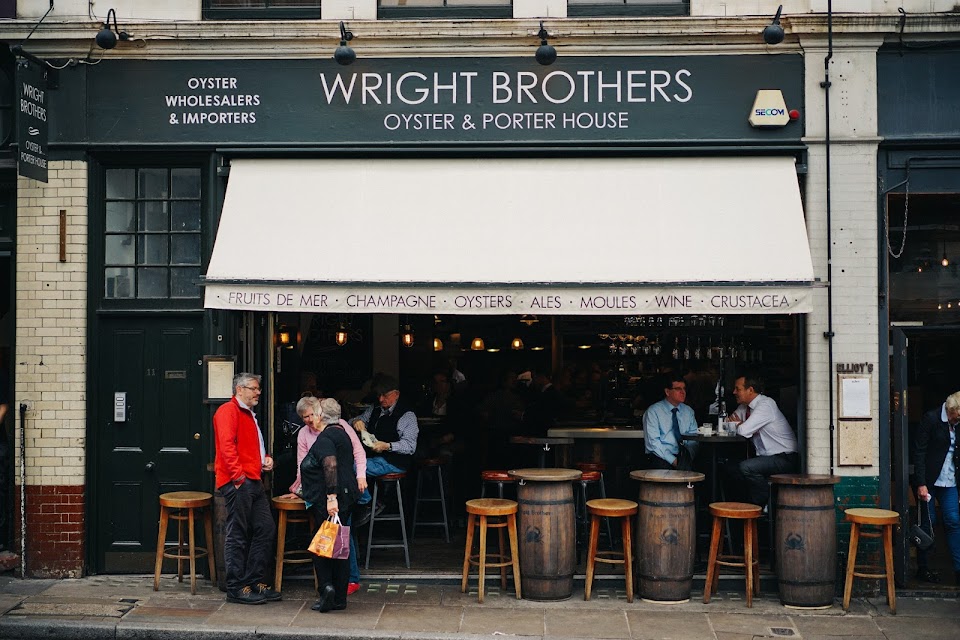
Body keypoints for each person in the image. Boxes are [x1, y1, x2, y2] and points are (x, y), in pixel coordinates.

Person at [279, 395, 369, 595]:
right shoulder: (304, 434)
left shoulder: (336, 429)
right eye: (304, 417)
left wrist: (360, 477)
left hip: (335, 495)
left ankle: (341, 583)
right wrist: (298, 489)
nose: (309, 420)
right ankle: (332, 587)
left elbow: (350, 457)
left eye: (311, 415)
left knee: (338, 535)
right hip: (320, 493)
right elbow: (302, 465)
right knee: (328, 536)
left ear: (320, 412)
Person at [213, 373, 279, 605]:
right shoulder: (227, 411)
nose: (258, 392)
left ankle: (253, 581)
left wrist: (266, 458)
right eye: (253, 388)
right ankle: (235, 587)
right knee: (238, 533)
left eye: (258, 388)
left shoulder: (248, 414)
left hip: (253, 479)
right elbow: (226, 446)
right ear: (239, 390)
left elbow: (252, 445)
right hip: (239, 481)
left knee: (265, 528)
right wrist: (239, 477)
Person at [300, 398, 360, 612]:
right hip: (345, 496)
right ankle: (340, 597)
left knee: (322, 547)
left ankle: (326, 589)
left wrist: (331, 497)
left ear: (319, 415)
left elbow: (330, 464)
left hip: (330, 501)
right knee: (339, 547)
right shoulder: (341, 432)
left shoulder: (325, 438)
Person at [725, 374, 799, 507]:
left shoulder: (766, 404)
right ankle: (745, 506)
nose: (734, 392)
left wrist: (739, 425)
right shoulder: (745, 407)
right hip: (768, 457)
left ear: (750, 390)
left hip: (785, 457)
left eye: (738, 389)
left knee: (746, 467)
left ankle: (764, 504)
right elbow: (727, 424)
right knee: (731, 468)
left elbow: (742, 431)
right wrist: (738, 424)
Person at [913, 391, 960, 585]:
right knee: (928, 524)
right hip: (930, 482)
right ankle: (924, 569)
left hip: (950, 481)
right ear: (952, 410)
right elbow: (919, 452)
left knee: (953, 521)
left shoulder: (957, 424)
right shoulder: (931, 419)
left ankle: (958, 570)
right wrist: (921, 483)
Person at [350, 374, 419, 477]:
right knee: (345, 463)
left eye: (385, 395)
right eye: (379, 395)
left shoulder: (407, 415)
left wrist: (387, 446)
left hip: (394, 462)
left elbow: (410, 446)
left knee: (354, 468)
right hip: (372, 458)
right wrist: (356, 421)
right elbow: (353, 420)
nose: (381, 399)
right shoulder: (375, 408)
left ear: (396, 394)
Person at [643, 374, 698, 470]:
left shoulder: (688, 411)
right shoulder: (653, 411)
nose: (683, 392)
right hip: (661, 456)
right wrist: (674, 461)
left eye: (684, 389)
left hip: (684, 456)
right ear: (667, 392)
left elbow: (694, 438)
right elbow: (653, 443)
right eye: (678, 389)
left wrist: (687, 458)